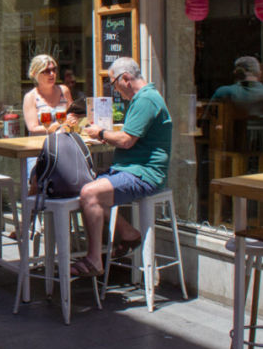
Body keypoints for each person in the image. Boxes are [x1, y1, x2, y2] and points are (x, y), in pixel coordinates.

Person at [70, 57, 172, 278]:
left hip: (144, 173)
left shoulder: (146, 100)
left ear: (125, 79)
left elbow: (126, 140)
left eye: (113, 83)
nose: (115, 89)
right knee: (83, 182)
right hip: (131, 169)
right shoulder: (144, 99)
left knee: (90, 192)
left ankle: (94, 260)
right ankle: (128, 233)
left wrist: (101, 133)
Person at [209, 55, 263, 171]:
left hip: (233, 153)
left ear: (236, 73)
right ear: (259, 73)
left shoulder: (224, 92)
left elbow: (209, 118)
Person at [23, 54, 72, 135]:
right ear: (35, 74)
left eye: (54, 70)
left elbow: (72, 115)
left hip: (63, 141)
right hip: (40, 144)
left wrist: (73, 120)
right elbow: (32, 128)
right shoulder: (31, 97)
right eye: (46, 71)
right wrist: (55, 126)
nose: (52, 74)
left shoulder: (64, 91)